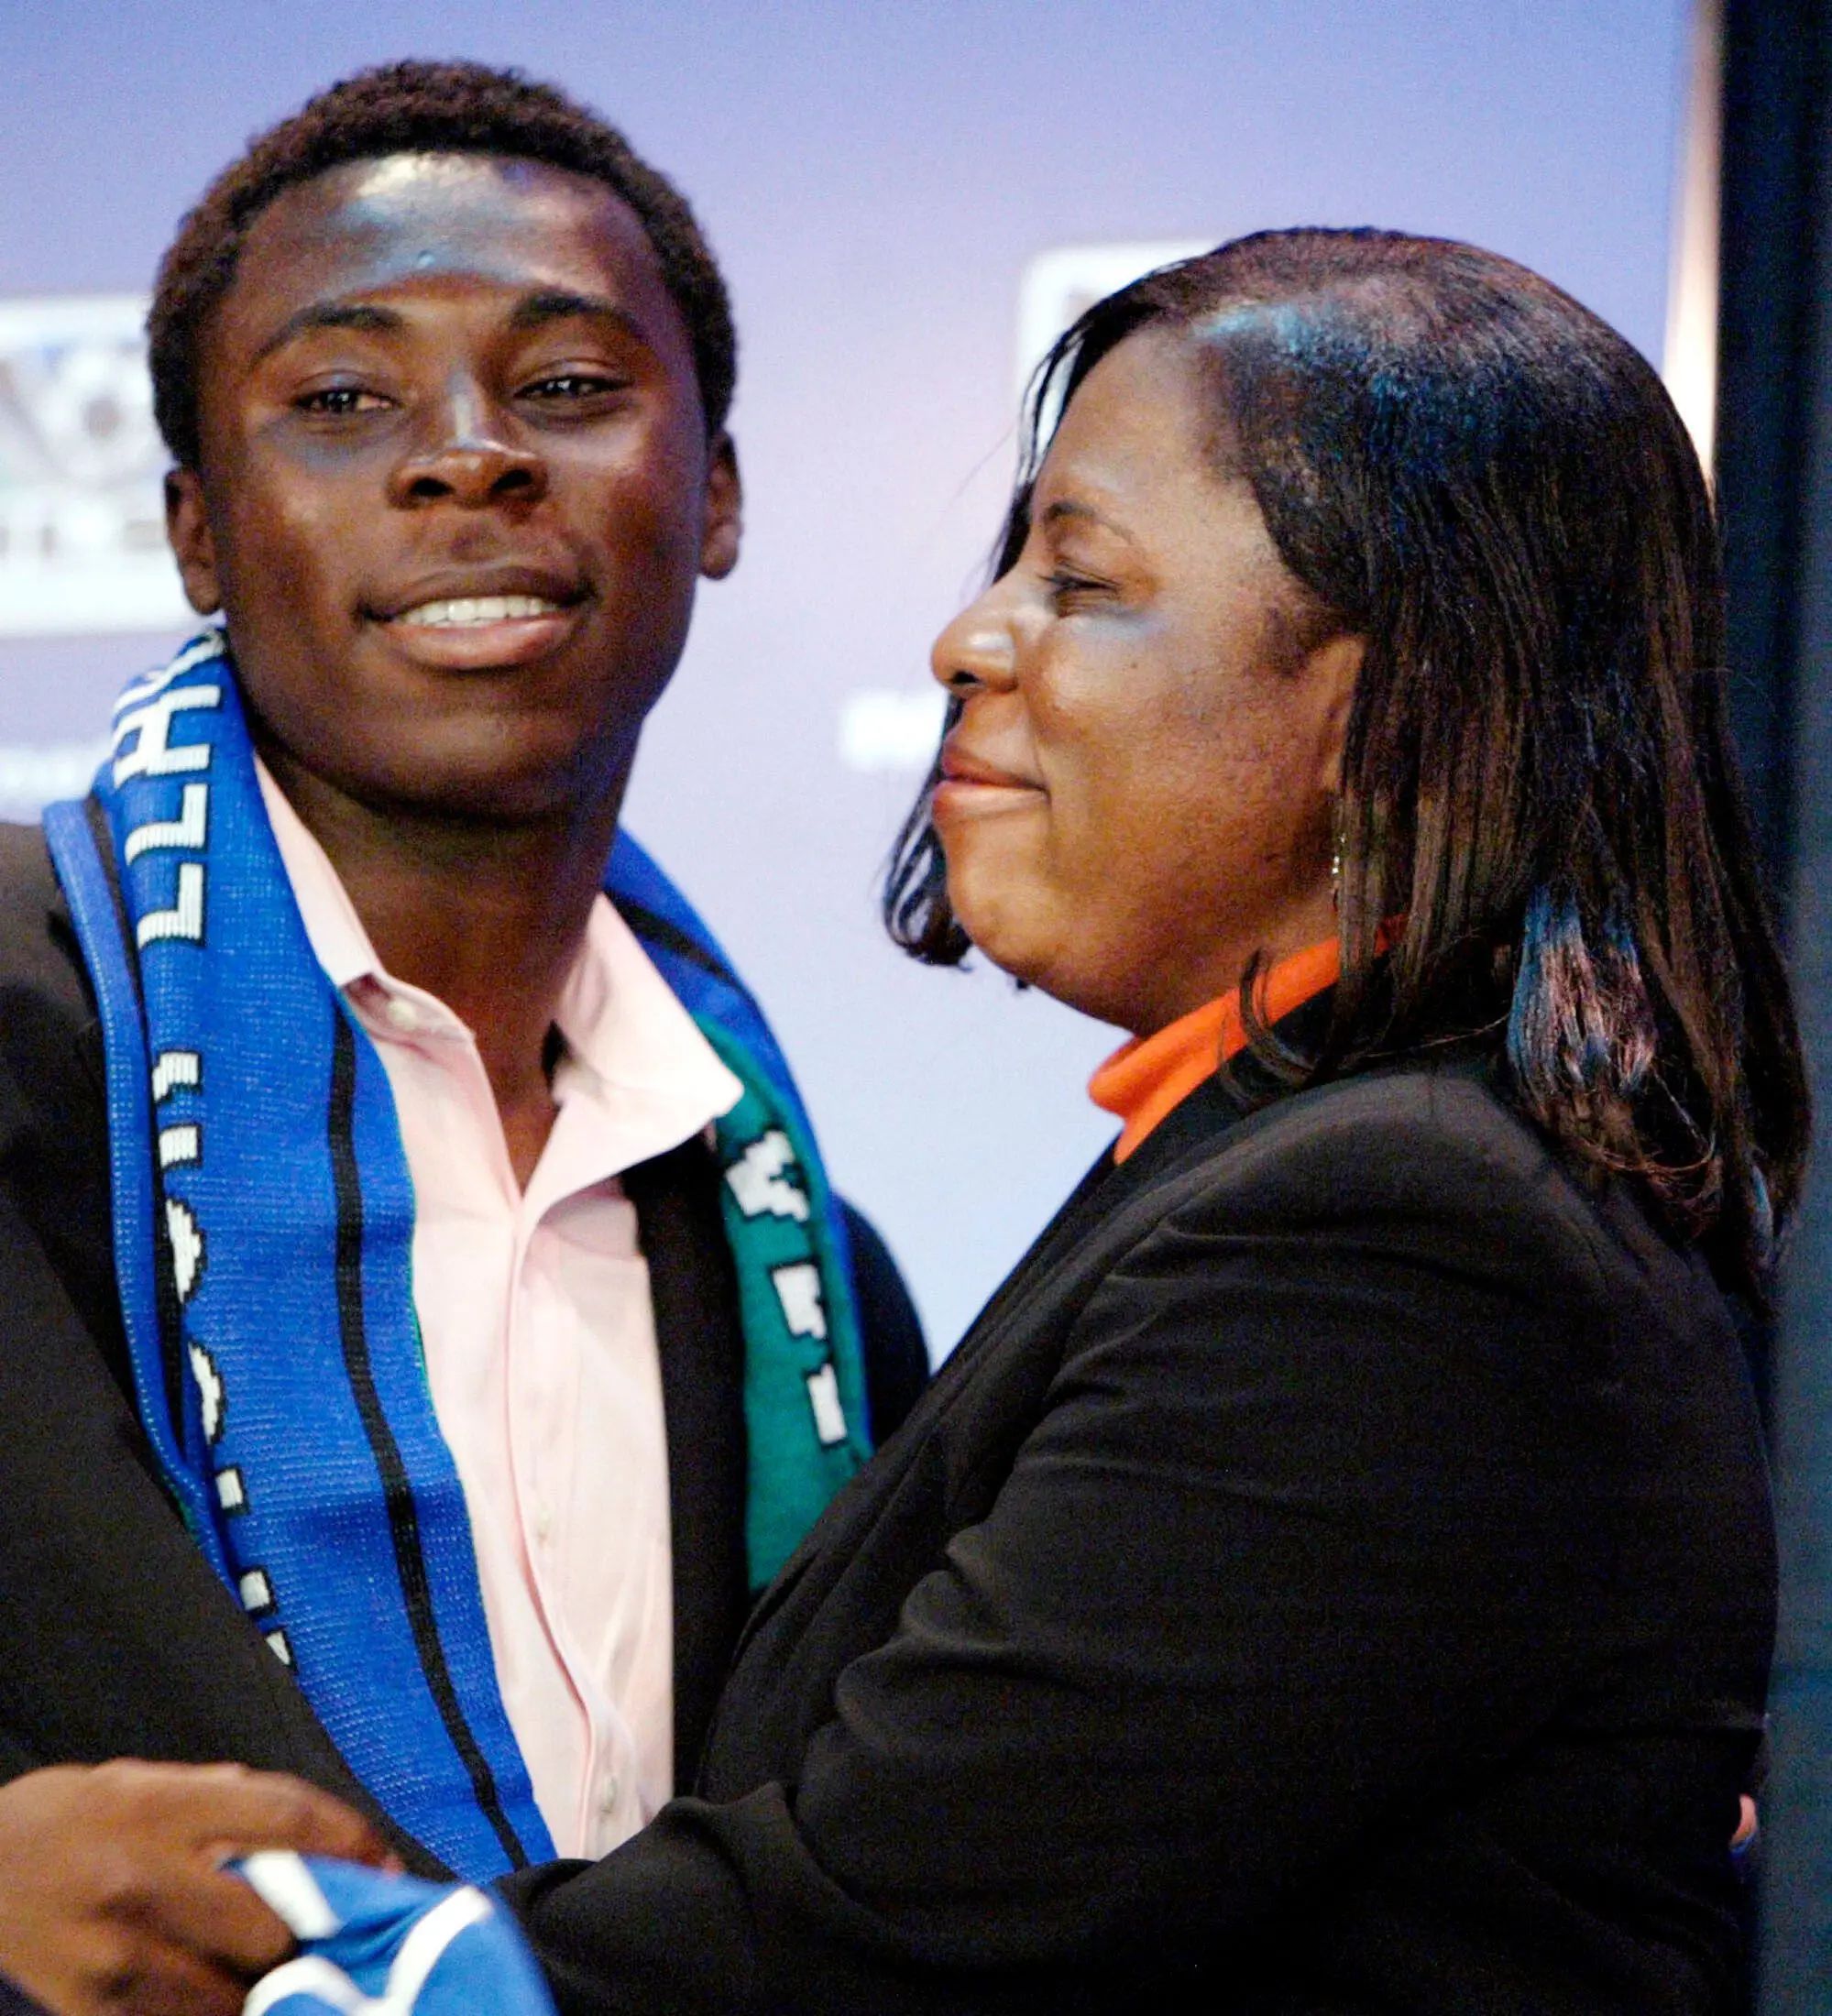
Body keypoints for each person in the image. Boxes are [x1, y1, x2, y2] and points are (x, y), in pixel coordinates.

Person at [482, 229, 1796, 2011]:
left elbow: (858, 1934)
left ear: (1394, 697)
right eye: (1013, 560)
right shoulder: (1312, 1158)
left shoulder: (1402, 1241)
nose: (970, 634)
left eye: (1082, 582)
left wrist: (256, 1966)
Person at [0, 59, 926, 2016]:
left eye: (570, 388)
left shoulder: (816, 1288)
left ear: (723, 492)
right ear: (192, 532)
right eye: (342, 402)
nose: (467, 458)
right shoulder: (16, 1010)